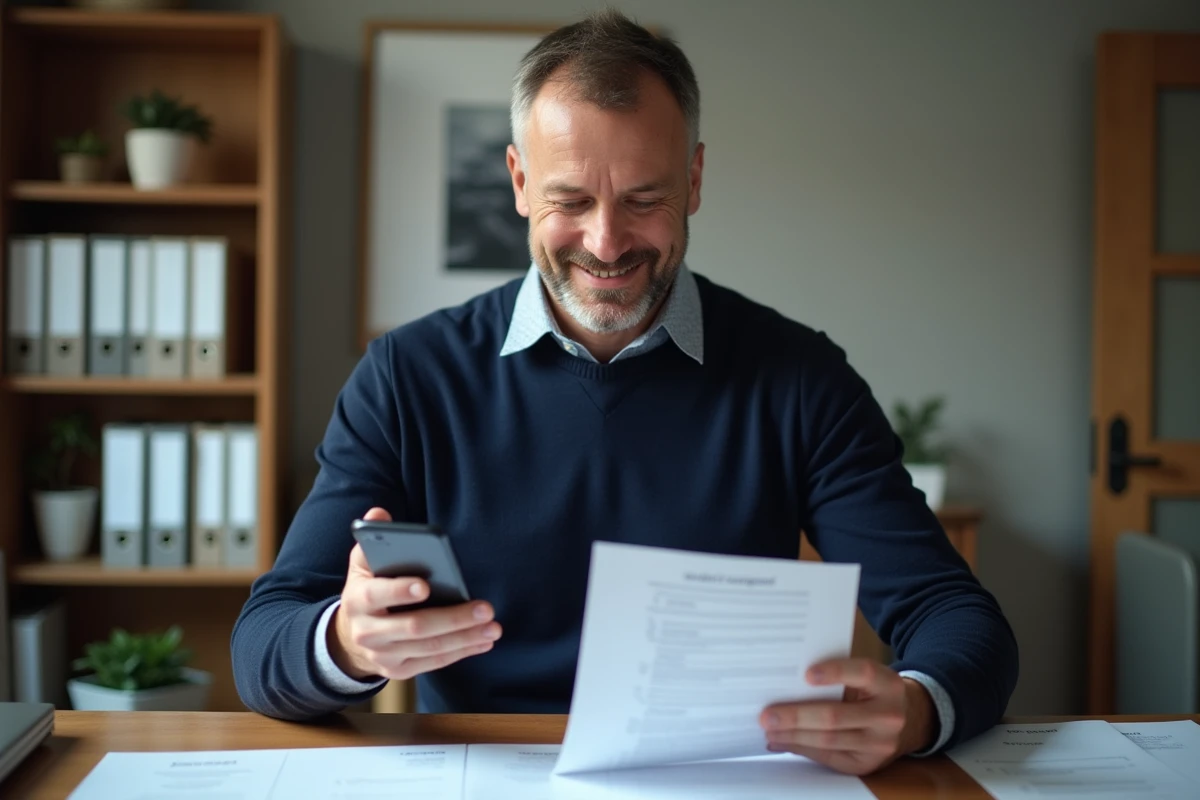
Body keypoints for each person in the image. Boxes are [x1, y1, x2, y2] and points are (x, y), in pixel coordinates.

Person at [232, 9, 1018, 777]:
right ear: (517, 181)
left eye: (644, 199)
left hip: (721, 780)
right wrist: (345, 642)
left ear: (696, 179)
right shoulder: (407, 377)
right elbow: (263, 640)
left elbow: (957, 617)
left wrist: (912, 710)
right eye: (570, 201)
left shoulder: (800, 379)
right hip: (491, 775)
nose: (606, 243)